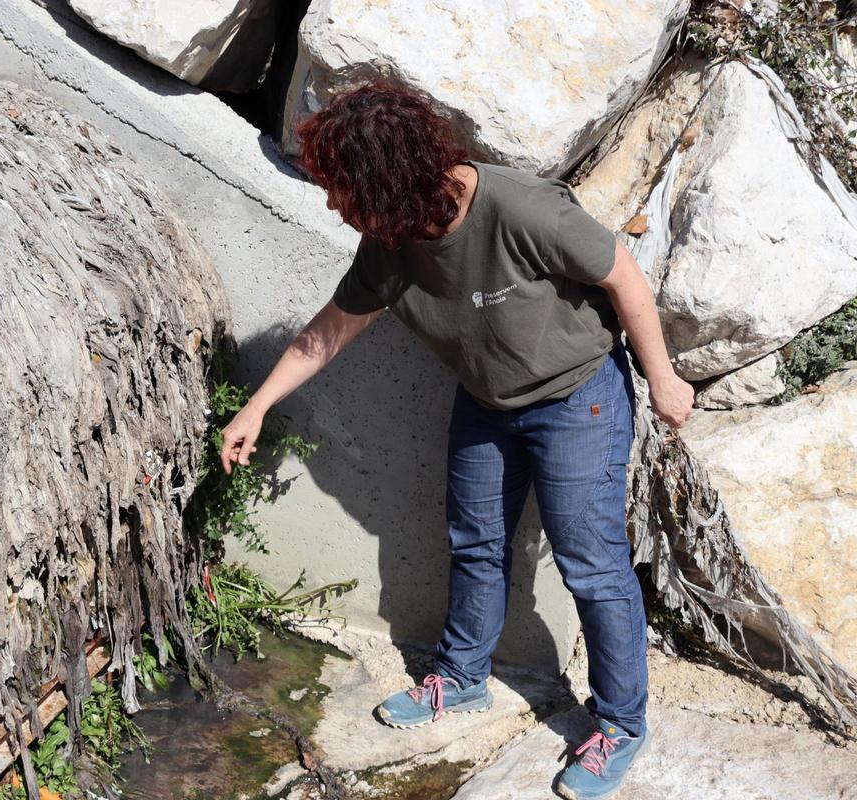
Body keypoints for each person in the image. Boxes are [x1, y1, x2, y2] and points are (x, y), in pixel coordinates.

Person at [218, 82, 695, 800]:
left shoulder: (518, 207)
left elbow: (620, 273)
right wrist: (255, 407)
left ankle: (620, 725)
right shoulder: (390, 245)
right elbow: (325, 334)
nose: (330, 203)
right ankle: (462, 679)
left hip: (577, 401)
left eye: (340, 187)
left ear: (384, 180)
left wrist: (661, 379)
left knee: (592, 567)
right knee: (474, 543)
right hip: (486, 404)